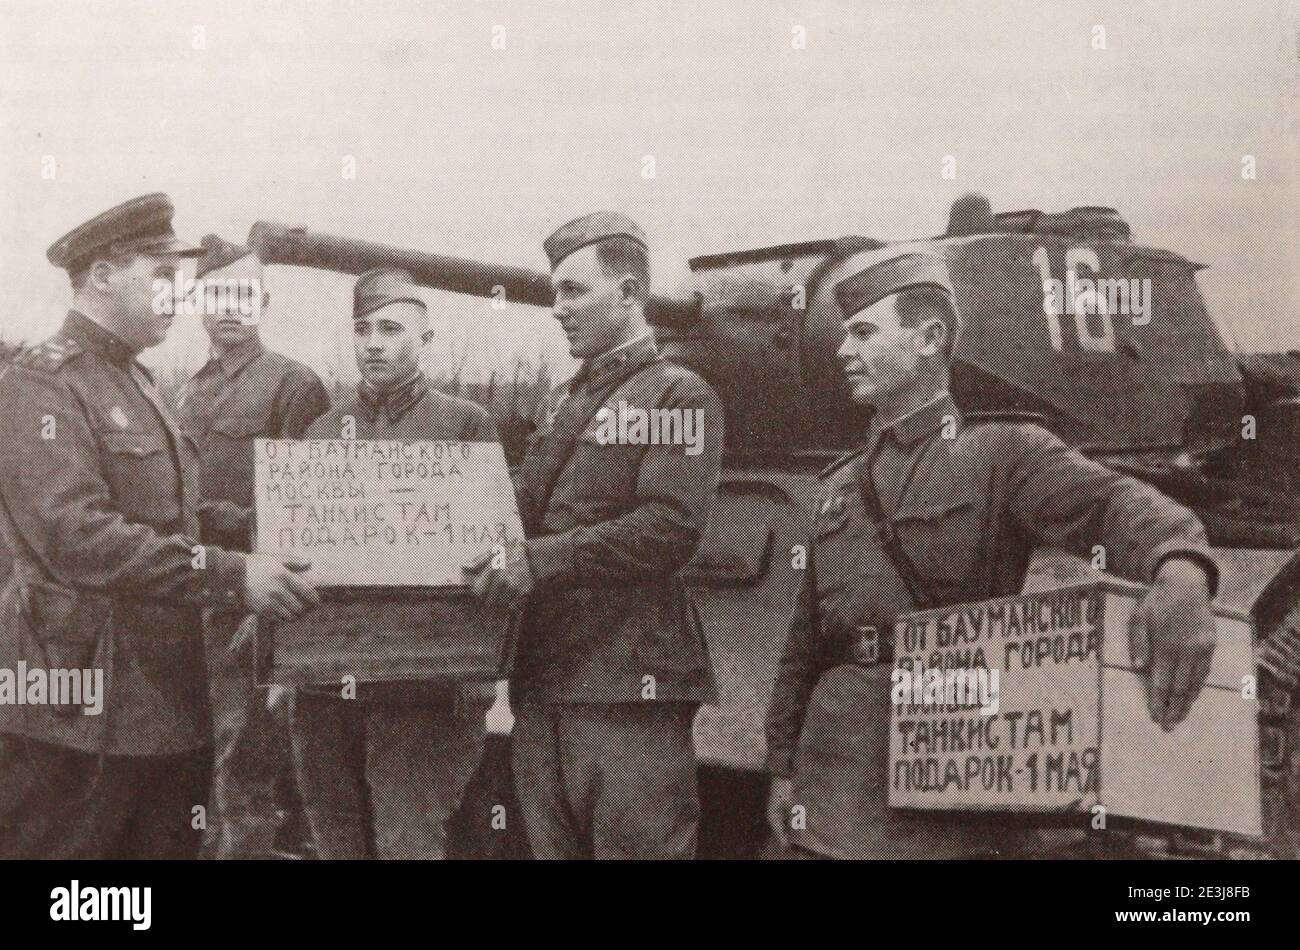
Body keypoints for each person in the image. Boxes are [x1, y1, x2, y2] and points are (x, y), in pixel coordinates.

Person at [764, 249, 1220, 859]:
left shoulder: (1002, 453)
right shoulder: (840, 485)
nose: (843, 350)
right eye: (843, 334)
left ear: (929, 338)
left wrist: (1180, 566)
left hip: (946, 747)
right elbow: (806, 640)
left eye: (863, 333)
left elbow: (1110, 504)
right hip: (835, 760)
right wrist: (783, 766)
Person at [0, 194, 320, 859]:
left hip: (165, 711)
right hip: (76, 716)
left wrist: (268, 531)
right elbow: (77, 536)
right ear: (102, 276)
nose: (177, 299)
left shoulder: (138, 381)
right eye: (162, 279)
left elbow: (171, 515)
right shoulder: (42, 383)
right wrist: (234, 576)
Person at [466, 212, 724, 859]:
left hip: (626, 684)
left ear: (631, 293)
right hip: (547, 677)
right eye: (556, 292)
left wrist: (537, 560)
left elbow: (669, 528)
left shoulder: (676, 395)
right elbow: (518, 504)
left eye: (574, 291)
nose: (558, 309)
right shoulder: (563, 400)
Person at [289, 267, 499, 859]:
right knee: (336, 838)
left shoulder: (464, 425)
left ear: (425, 339)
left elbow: (490, 555)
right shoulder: (324, 430)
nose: (373, 342)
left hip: (423, 686)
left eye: (390, 328)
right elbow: (295, 548)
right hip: (326, 681)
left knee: (409, 841)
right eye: (362, 329)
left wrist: (474, 677)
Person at [178, 234, 330, 859]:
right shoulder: (190, 389)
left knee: (249, 765)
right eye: (217, 295)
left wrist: (220, 525)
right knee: (203, 754)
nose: (230, 308)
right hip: (193, 597)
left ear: (263, 301)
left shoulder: (293, 385)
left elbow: (309, 513)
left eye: (243, 294)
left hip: (251, 604)